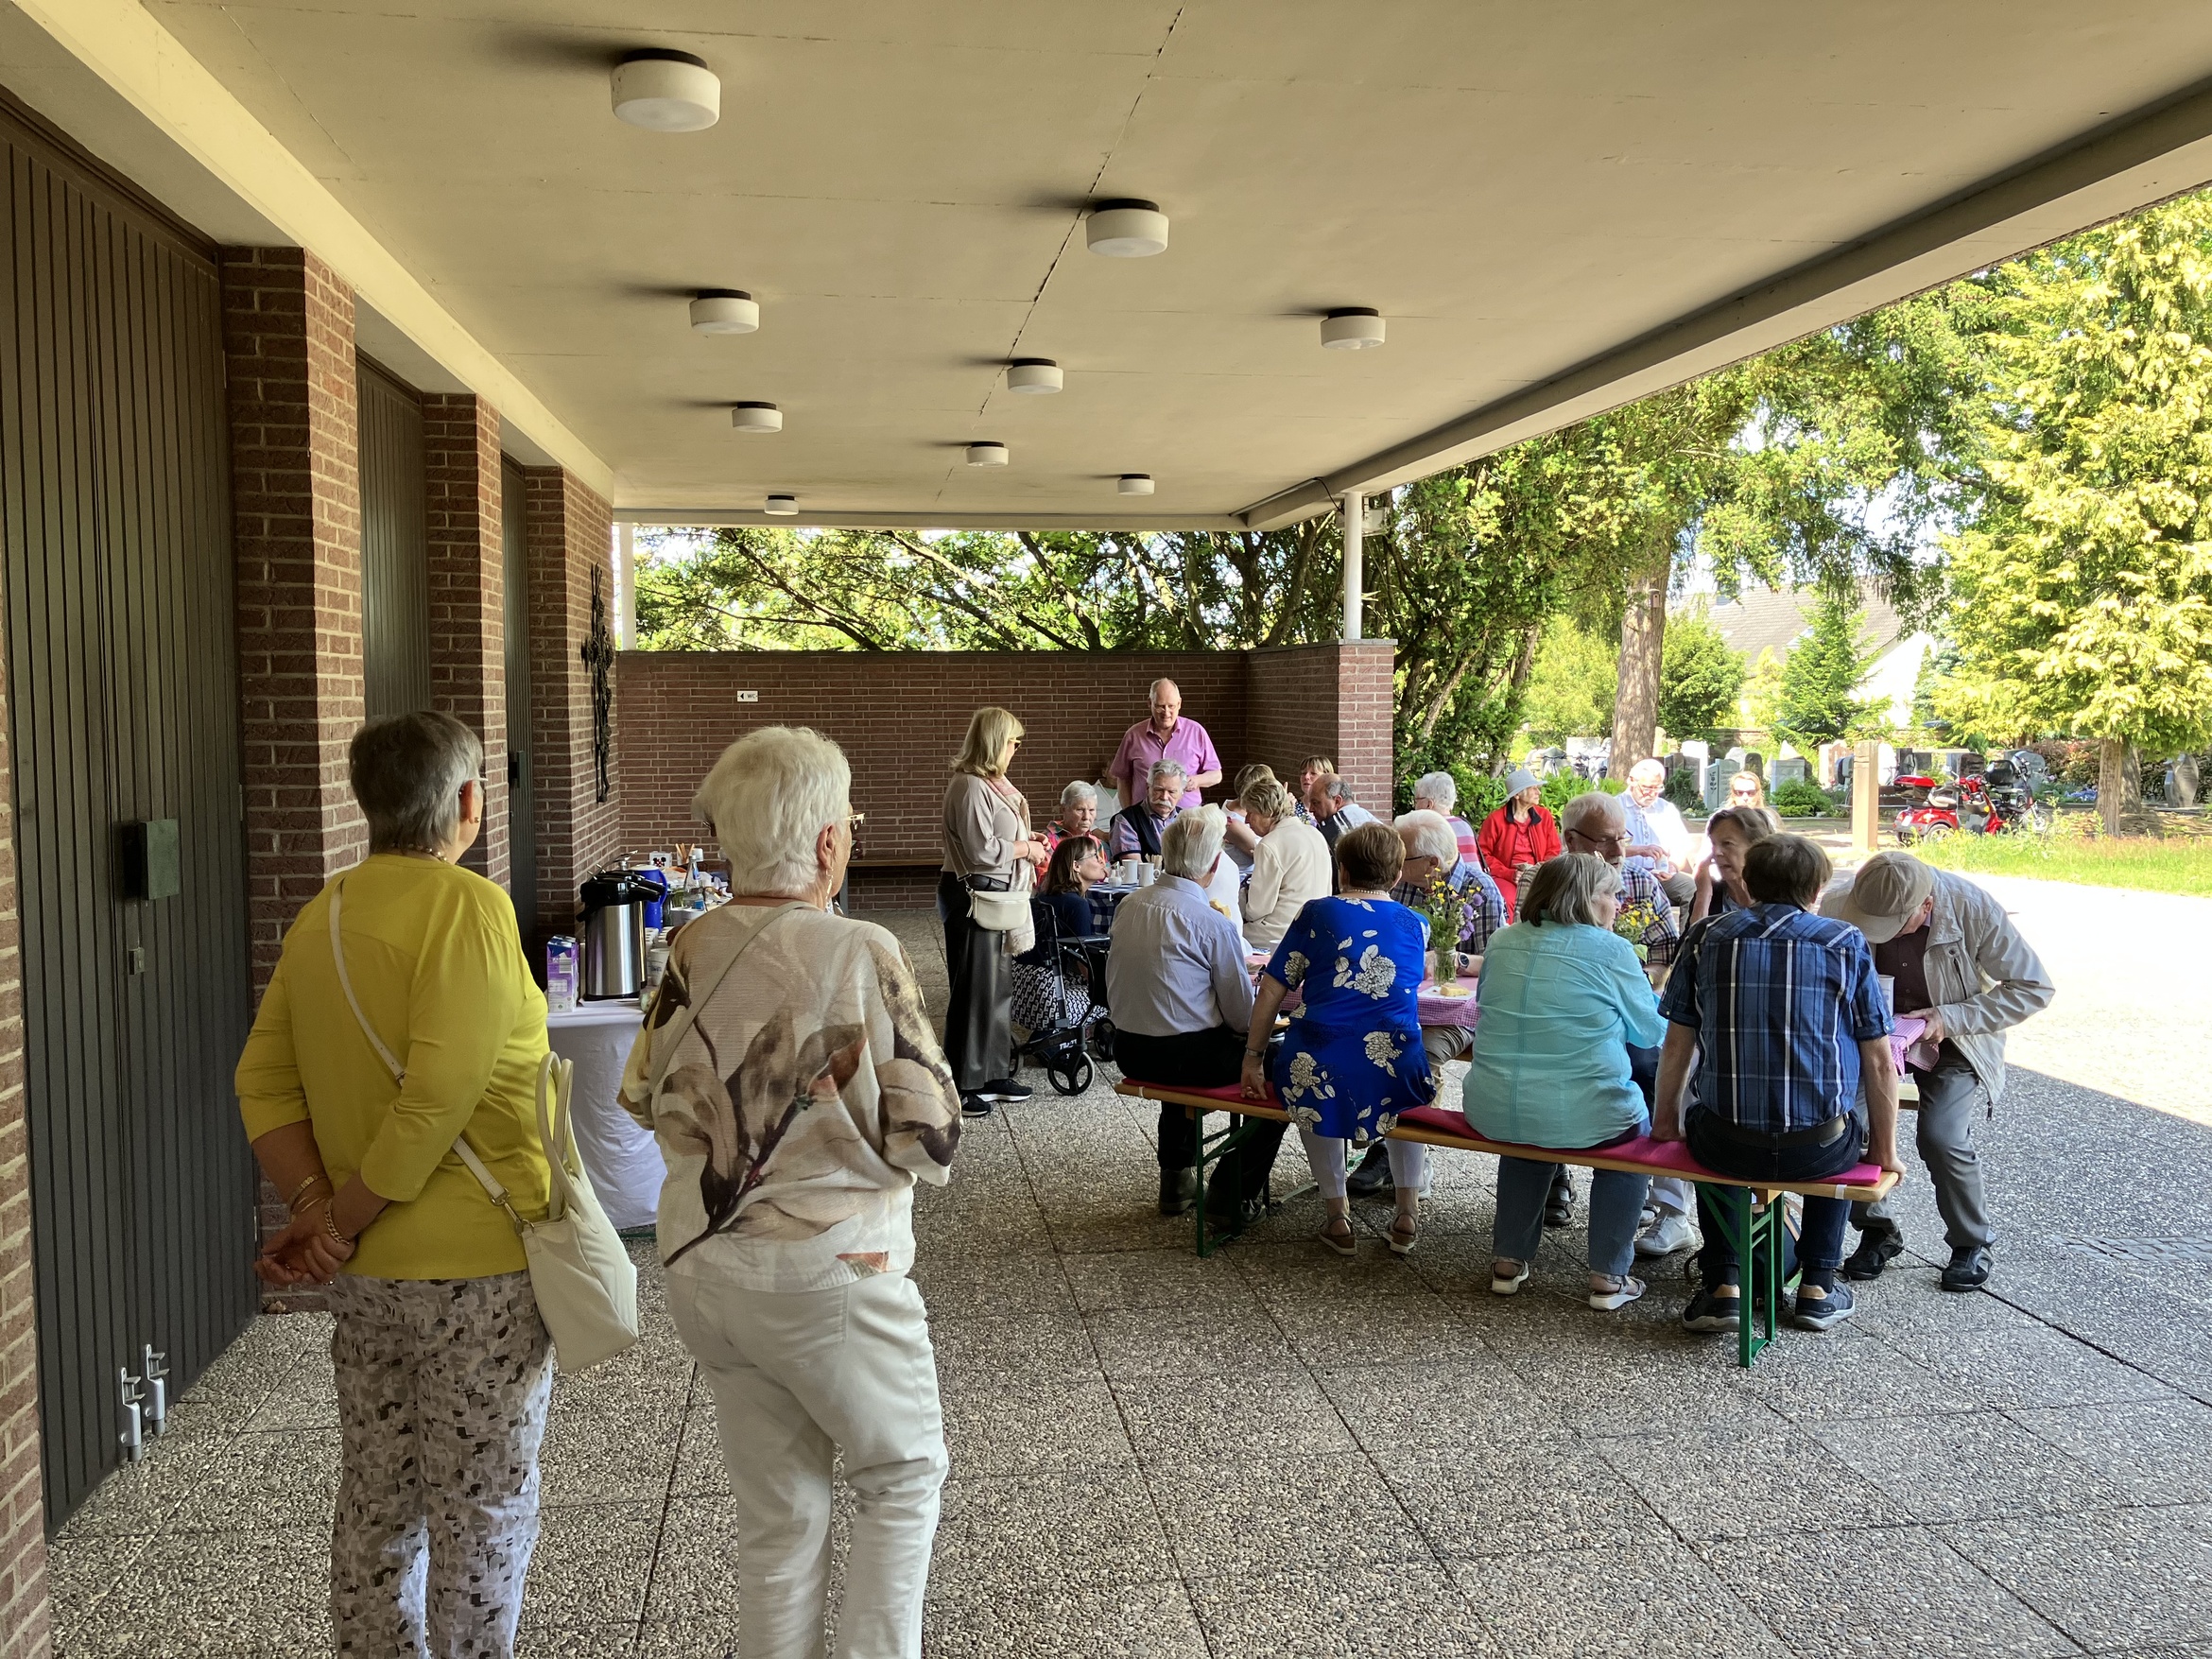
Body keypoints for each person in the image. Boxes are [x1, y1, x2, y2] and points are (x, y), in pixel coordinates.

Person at [619, 725, 961, 1659]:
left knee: (779, 1518)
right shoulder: (856, 948)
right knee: (901, 1476)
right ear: (825, 844)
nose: (850, 832)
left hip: (706, 1272)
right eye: (847, 820)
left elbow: (644, 1096)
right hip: (830, 1272)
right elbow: (932, 1133)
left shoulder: (691, 946)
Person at [235, 711, 556, 1657]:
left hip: (369, 1281)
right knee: (483, 1509)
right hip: (476, 1274)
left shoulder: (324, 912)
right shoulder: (469, 909)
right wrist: (337, 1220)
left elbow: (262, 1078)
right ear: (466, 802)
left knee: (378, 1499)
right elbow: (439, 1096)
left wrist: (314, 1214)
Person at [1654, 835, 1902, 1334]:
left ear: (1745, 880)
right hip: (1817, 1151)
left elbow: (1677, 1045)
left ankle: (1724, 1283)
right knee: (1840, 1129)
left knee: (1706, 1123)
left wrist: (1665, 1122)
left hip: (1727, 1145)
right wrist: (1885, 1150)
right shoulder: (1845, 942)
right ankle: (1818, 1286)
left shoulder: (1706, 937)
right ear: (1817, 886)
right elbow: (1878, 1061)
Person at [1822, 851, 2055, 1288]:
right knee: (1845, 1125)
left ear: (1925, 906)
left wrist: (1949, 1019)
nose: (1877, 935)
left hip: (1953, 1035)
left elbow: (2033, 987)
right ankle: (1877, 1231)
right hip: (1870, 1037)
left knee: (1942, 1137)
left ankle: (1972, 1242)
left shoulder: (1973, 908)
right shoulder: (1841, 902)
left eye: (1890, 926)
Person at [1462, 854, 1668, 1310]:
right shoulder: (1611, 951)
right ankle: (1608, 1276)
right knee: (1629, 1145)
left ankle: (1508, 1262)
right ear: (1586, 900)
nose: (1619, 904)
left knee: (1530, 1129)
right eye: (1612, 895)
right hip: (1580, 1111)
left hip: (1492, 1106)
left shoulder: (1501, 941)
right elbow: (1651, 1032)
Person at [1242, 821, 1435, 1256]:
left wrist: (1252, 1056)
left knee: (1313, 1082)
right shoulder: (1416, 924)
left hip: (1320, 1051)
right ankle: (1406, 1215)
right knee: (1405, 1100)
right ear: (1397, 875)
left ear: (1342, 870)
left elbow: (1273, 985)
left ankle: (1338, 1217)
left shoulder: (1318, 912)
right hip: (1396, 1057)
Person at [1107, 809, 1277, 1224]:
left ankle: (1176, 1176)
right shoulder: (1209, 922)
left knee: (1181, 1039)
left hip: (1128, 1048)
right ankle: (1229, 1190)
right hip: (1187, 1057)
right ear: (1215, 864)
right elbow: (1241, 1020)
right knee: (1285, 1072)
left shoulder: (1129, 905)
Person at [941, 706, 1051, 1115]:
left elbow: (997, 837)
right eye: (1012, 741)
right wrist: (1026, 849)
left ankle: (992, 1072)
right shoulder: (969, 786)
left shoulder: (991, 783)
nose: (1016, 748)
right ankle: (963, 1081)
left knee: (998, 986)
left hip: (999, 898)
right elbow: (981, 851)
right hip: (975, 897)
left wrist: (1027, 837)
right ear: (993, 742)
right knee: (974, 989)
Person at [1013, 835, 1107, 1033]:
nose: (1101, 860)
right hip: (1050, 1002)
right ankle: (1069, 1036)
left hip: (1019, 995)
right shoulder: (1077, 905)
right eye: (1094, 855)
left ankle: (1054, 1038)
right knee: (1113, 996)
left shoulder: (1043, 897)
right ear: (1076, 866)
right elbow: (1085, 964)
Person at [1238, 778, 1331, 951]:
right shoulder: (1315, 834)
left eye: (1251, 813)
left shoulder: (1269, 844)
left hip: (1278, 934)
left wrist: (1241, 895)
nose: (1247, 820)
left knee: (1228, 931)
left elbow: (1257, 909)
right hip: (1316, 928)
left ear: (1267, 811)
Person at [1109, 678, 1221, 811]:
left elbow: (1216, 775)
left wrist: (1196, 781)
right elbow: (1123, 779)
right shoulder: (1133, 735)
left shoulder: (1196, 731)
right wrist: (1129, 814)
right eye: (1160, 706)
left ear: (1179, 704)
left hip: (1188, 818)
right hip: (1144, 818)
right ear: (1149, 703)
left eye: (1171, 706)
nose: (1166, 713)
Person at [1477, 769, 1561, 923]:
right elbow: (1483, 855)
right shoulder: (1495, 820)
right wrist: (1509, 874)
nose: (1538, 792)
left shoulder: (1544, 816)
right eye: (1533, 788)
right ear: (1517, 795)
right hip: (1506, 876)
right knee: (1508, 900)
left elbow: (1553, 850)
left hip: (1539, 875)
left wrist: (1540, 870)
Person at [1622, 757, 1696, 907]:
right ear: (1631, 780)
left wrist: (1672, 866)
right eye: (1647, 788)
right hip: (1626, 875)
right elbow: (1606, 848)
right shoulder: (1615, 807)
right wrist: (1639, 850)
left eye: (1657, 788)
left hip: (1660, 875)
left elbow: (1680, 846)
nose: (1652, 794)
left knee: (1690, 888)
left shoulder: (1666, 809)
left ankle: (1690, 930)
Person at [1687, 805, 1772, 924]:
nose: (1716, 852)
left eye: (1727, 843)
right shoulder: (1711, 894)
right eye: (1713, 844)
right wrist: (1703, 897)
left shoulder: (1780, 896)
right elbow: (1691, 941)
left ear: (1755, 847)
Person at [1109, 760, 1188, 861]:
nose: (1164, 797)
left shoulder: (1186, 820)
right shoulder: (1126, 820)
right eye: (1158, 790)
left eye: (1171, 792)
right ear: (1147, 788)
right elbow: (1135, 868)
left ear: (1182, 793)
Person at [1410, 769, 1479, 864]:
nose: (1415, 806)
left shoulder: (1428, 829)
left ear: (1429, 804)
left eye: (1417, 800)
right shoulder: (1465, 825)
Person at [1219, 761, 1278, 869]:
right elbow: (1268, 855)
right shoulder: (1232, 822)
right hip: (1244, 879)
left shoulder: (1231, 805)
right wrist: (1283, 811)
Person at [1305, 771, 1377, 854]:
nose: (1311, 809)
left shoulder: (1335, 827)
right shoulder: (1368, 817)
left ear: (1337, 801)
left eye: (1315, 803)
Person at [1046, 780, 1100, 848]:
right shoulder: (1047, 841)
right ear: (1064, 809)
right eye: (1080, 810)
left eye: (1091, 810)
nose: (1086, 817)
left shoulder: (1095, 842)